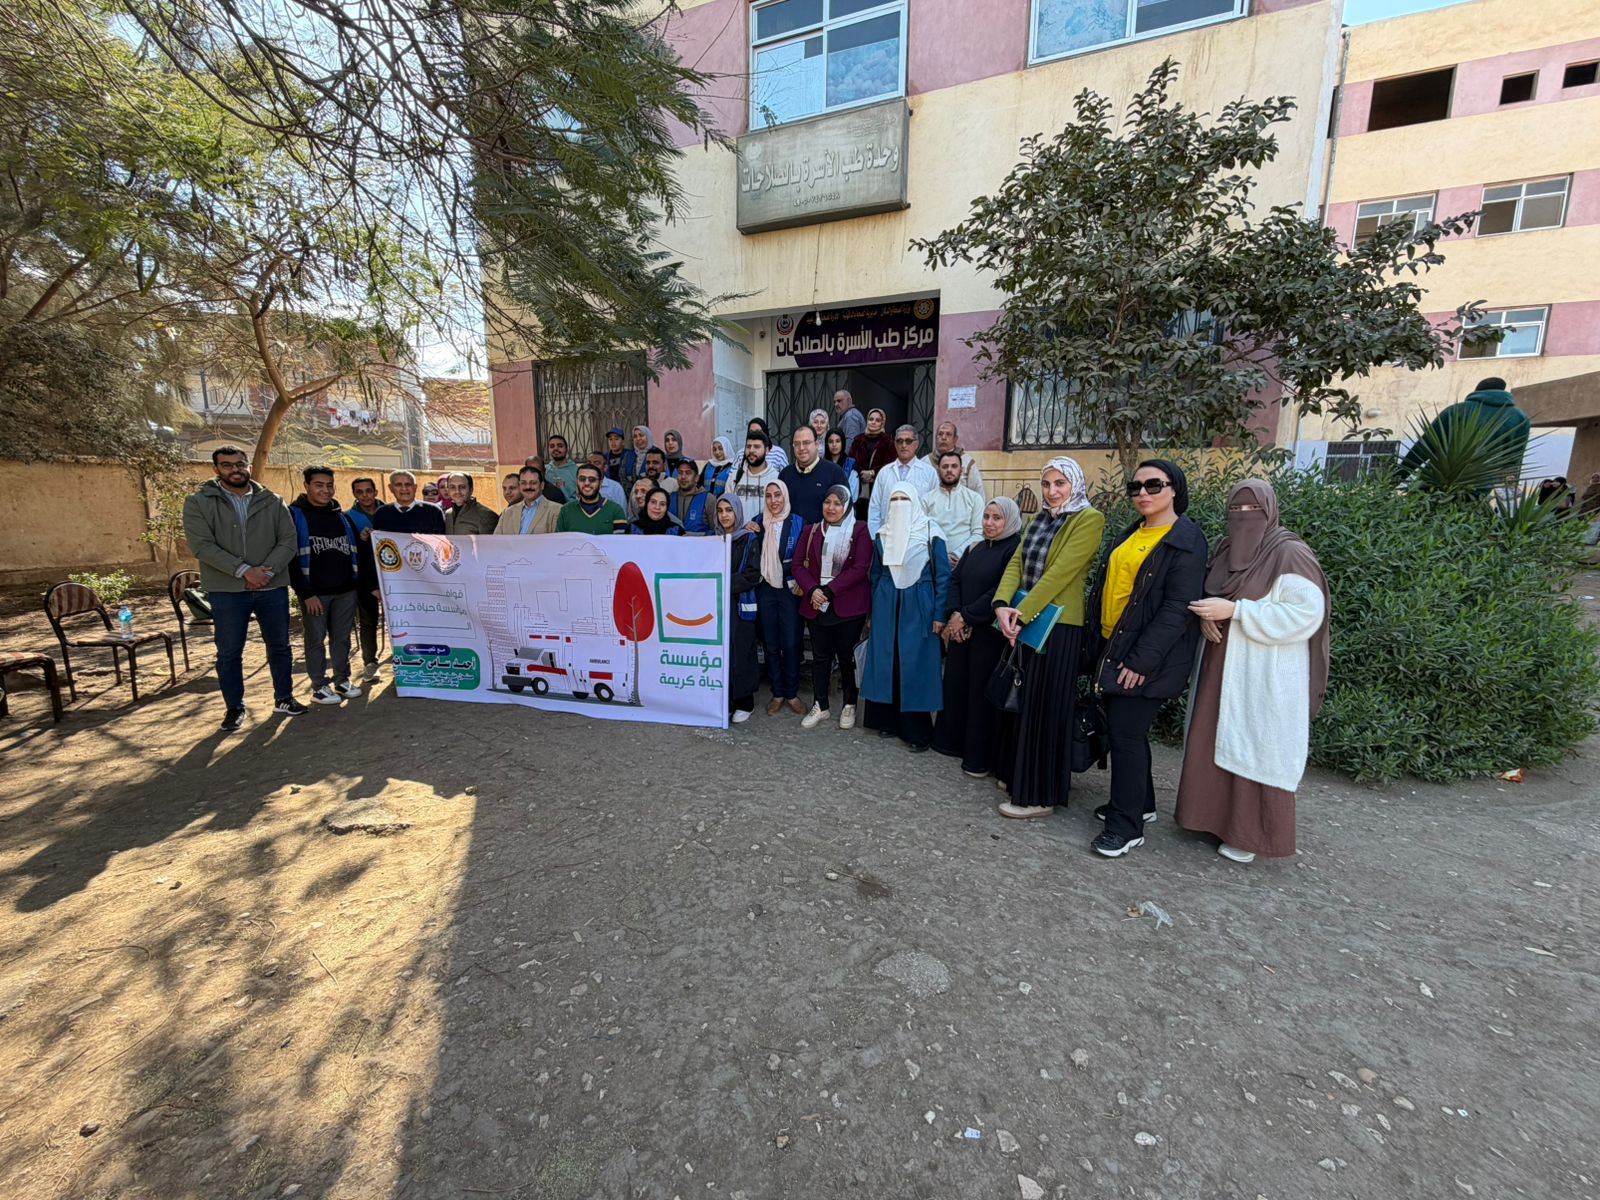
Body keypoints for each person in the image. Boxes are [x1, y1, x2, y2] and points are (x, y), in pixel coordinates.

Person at [1176, 480, 1331, 864]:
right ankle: (1207, 819)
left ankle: (1248, 834)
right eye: (1236, 510)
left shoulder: (1289, 553)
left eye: (1253, 511)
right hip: (1219, 663)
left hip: (1261, 672)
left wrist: (1238, 612)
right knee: (1211, 737)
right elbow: (1215, 594)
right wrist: (1208, 618)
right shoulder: (1226, 549)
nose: (1243, 518)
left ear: (1270, 511)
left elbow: (1306, 614)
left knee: (1254, 743)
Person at [1085, 459, 1208, 858]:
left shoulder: (1185, 539)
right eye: (1135, 487)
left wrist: (1141, 662)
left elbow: (1177, 608)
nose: (1142, 493)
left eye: (1153, 485)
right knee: (1128, 732)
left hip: (1145, 657)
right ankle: (1142, 804)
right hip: (1113, 645)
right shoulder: (1133, 532)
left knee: (1125, 734)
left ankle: (1126, 827)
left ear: (1175, 490)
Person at [991, 458, 1105, 815]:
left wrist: (1019, 613)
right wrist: (1001, 605)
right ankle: (1020, 775)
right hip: (1026, 619)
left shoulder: (1089, 519)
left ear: (1075, 484)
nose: (1052, 491)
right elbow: (1017, 562)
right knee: (1025, 701)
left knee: (1045, 707)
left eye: (1060, 483)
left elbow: (1061, 573)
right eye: (1046, 484)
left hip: (1058, 625)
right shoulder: (1040, 518)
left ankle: (1039, 796)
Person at [182, 446, 304, 729]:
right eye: (227, 465)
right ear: (216, 469)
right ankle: (234, 707)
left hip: (271, 586)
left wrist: (266, 571)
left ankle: (284, 698)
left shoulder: (272, 500)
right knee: (229, 651)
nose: (235, 470)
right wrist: (244, 571)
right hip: (228, 590)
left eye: (240, 464)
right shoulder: (199, 502)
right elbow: (202, 545)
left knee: (280, 646)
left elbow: (288, 540)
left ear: (248, 466)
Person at [932, 498, 1023, 777]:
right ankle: (950, 743)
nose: (989, 523)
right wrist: (954, 613)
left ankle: (977, 758)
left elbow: (1001, 590)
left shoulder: (1014, 550)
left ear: (1009, 520)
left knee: (980, 695)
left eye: (997, 518)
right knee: (957, 686)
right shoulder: (976, 548)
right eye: (986, 517)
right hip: (962, 631)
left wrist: (967, 617)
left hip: (989, 633)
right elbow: (956, 580)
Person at [862, 484, 951, 751]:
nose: (899, 505)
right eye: (894, 500)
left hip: (919, 604)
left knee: (914, 664)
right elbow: (875, 574)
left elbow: (943, 576)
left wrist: (939, 614)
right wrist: (874, 610)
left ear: (915, 502)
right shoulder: (883, 534)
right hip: (887, 603)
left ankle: (917, 731)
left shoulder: (931, 532)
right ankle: (887, 721)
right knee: (888, 661)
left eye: (905, 499)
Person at [792, 484, 873, 730]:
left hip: (848, 606)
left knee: (846, 657)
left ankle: (849, 703)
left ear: (847, 506)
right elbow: (798, 565)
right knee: (820, 657)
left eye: (838, 503)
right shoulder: (811, 531)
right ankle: (821, 705)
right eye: (828, 502)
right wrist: (813, 590)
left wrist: (828, 591)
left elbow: (861, 567)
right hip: (816, 604)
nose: (831, 508)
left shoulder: (859, 530)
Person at [289, 466, 365, 706]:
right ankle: (319, 685)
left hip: (345, 591)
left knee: (341, 639)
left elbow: (356, 550)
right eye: (319, 485)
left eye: (329, 485)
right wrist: (306, 593)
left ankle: (342, 679)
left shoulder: (341, 516)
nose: (325, 490)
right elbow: (290, 559)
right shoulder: (295, 516)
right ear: (307, 486)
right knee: (316, 640)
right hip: (315, 594)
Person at [1397, 376, 1531, 489]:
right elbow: (1514, 458)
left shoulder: (1456, 411)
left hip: (1438, 479)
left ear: (1476, 391)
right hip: (1481, 484)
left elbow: (1424, 447)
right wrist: (1509, 487)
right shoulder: (1519, 418)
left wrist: (1395, 479)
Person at [753, 480, 807, 715]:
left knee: (791, 642)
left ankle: (792, 693)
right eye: (768, 496)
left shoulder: (799, 522)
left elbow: (804, 558)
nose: (773, 500)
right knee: (770, 642)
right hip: (765, 588)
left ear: (785, 496)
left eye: (778, 495)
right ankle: (777, 693)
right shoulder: (757, 522)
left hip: (789, 590)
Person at [716, 494, 763, 724]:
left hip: (740, 604)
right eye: (720, 511)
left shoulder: (749, 538)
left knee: (740, 650)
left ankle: (745, 702)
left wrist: (723, 581)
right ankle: (726, 700)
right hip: (715, 605)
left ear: (737, 512)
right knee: (720, 652)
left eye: (729, 510)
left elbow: (753, 574)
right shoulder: (712, 539)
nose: (724, 515)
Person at [867, 425, 938, 537]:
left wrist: (930, 536)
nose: (903, 445)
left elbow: (935, 509)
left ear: (916, 444)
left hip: (919, 537)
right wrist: (874, 537)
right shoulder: (884, 472)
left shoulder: (929, 473)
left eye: (908, 441)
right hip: (887, 535)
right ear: (895, 445)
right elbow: (875, 507)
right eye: (899, 441)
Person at [922, 450, 985, 565]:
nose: (949, 470)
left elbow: (978, 533)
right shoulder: (926, 499)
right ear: (938, 470)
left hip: (964, 560)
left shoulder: (974, 498)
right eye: (945, 466)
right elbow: (922, 534)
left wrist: (956, 555)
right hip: (934, 561)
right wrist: (940, 557)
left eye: (954, 466)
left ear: (961, 470)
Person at [348, 476, 382, 682]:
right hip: (364, 578)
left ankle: (404, 660)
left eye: (368, 491)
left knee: (401, 620)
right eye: (359, 492)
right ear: (354, 494)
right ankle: (370, 662)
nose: (365, 496)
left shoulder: (388, 512)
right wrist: (361, 541)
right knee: (368, 622)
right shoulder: (349, 518)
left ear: (375, 492)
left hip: (392, 577)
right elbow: (351, 553)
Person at [779, 425, 848, 525]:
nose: (801, 448)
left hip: (824, 534)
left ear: (817, 444)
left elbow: (846, 510)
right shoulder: (785, 475)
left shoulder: (835, 473)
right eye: (797, 444)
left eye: (806, 443)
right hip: (791, 534)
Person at [849, 407, 895, 520]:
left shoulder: (888, 441)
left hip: (879, 486)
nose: (873, 422)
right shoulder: (858, 440)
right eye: (871, 419)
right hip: (859, 488)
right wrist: (862, 472)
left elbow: (891, 463)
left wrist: (873, 472)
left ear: (882, 423)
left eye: (877, 420)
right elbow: (851, 460)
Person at [557, 464, 629, 533]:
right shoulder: (566, 511)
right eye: (582, 479)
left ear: (600, 483)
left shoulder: (615, 511)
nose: (587, 483)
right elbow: (560, 540)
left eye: (592, 479)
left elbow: (620, 540)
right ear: (577, 482)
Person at [495, 465, 563, 534]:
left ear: (542, 485)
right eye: (523, 483)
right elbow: (496, 539)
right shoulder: (507, 513)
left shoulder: (557, 510)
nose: (528, 487)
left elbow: (557, 539)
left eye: (533, 483)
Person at [373, 470, 447, 534]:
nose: (404, 488)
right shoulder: (382, 513)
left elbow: (441, 541)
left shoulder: (433, 511)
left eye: (408, 484)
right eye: (398, 485)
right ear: (391, 488)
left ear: (415, 487)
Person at [922, 421, 985, 495]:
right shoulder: (924, 462)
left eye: (948, 434)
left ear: (955, 439)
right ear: (936, 438)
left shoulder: (967, 462)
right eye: (940, 434)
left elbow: (978, 491)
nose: (943, 437)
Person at [729, 431, 782, 512]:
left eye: (756, 447)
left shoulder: (776, 478)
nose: (751, 450)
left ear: (767, 450)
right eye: (748, 446)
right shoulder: (734, 477)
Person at [669, 459, 713, 533]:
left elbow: (715, 531)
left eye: (688, 473)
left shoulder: (708, 499)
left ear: (696, 478)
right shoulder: (669, 498)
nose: (683, 477)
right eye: (680, 473)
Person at [824, 429, 860, 503]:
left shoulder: (851, 464)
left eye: (837, 441)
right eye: (831, 441)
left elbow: (853, 494)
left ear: (842, 443)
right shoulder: (822, 464)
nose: (834, 445)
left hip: (845, 505)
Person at [544, 434, 581, 499]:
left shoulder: (577, 470)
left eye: (560, 446)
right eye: (552, 446)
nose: (555, 448)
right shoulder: (546, 470)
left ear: (567, 449)